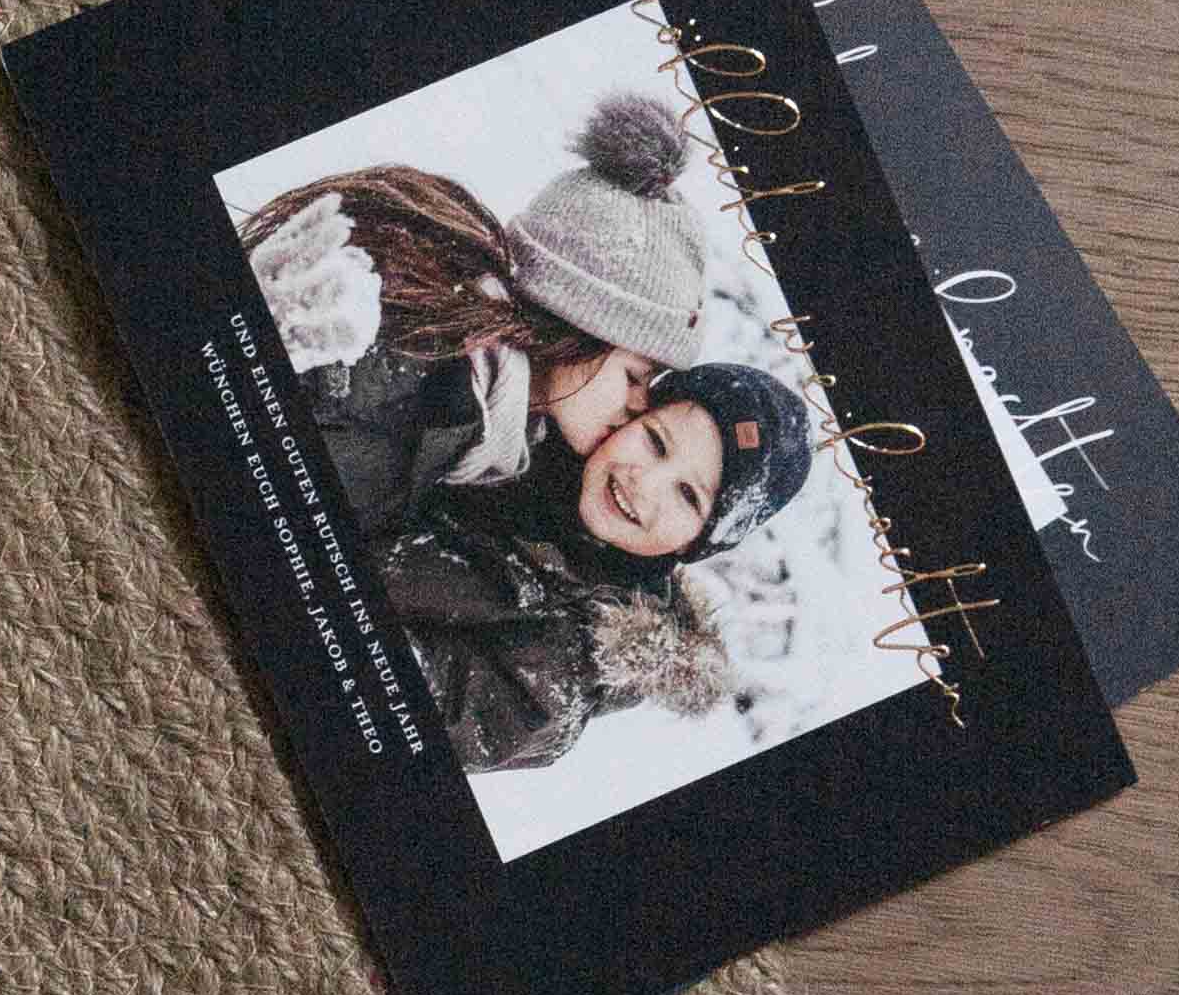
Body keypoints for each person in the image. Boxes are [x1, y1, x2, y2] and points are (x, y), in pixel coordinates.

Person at [241, 91, 708, 554]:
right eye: (633, 377)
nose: (639, 405)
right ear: (582, 323)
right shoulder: (402, 364)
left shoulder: (485, 415)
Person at [373, 348, 819, 776]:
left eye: (688, 495)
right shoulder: (520, 432)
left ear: (696, 544)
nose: (644, 481)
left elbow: (398, 707)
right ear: (630, 417)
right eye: (655, 442)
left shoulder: (568, 665)